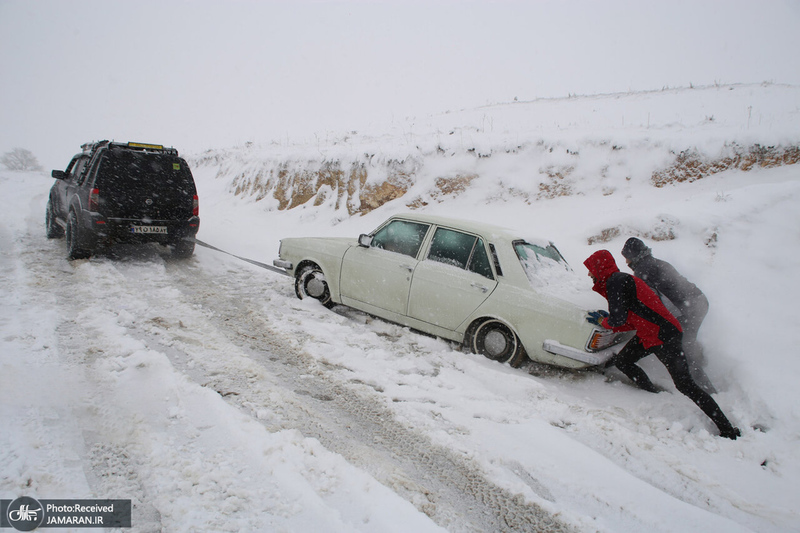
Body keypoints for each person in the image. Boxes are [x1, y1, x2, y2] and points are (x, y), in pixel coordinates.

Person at [584, 249, 740, 440]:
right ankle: (652, 394)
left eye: (591, 269)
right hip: (649, 334)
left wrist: (605, 322)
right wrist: (610, 321)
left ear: (599, 268)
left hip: (664, 335)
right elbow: (629, 318)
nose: (589, 273)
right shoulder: (617, 281)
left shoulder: (616, 281)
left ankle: (728, 430)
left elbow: (618, 319)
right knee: (624, 361)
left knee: (685, 384)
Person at [621, 237, 716, 394]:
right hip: (699, 301)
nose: (626, 262)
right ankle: (700, 360)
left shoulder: (642, 270)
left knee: (684, 349)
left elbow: (651, 300)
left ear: (633, 255)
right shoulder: (656, 262)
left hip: (689, 308)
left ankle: (708, 391)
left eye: (626, 258)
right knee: (688, 341)